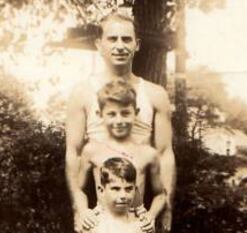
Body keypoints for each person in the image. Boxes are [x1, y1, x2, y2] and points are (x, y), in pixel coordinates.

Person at [65, 12, 176, 233]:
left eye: (126, 39)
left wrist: (167, 208)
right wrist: (79, 208)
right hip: (101, 218)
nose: (120, 46)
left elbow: (165, 153)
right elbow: (74, 152)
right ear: (99, 44)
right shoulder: (82, 92)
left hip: (140, 219)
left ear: (137, 44)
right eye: (112, 39)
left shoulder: (155, 95)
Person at [75, 80, 166, 233]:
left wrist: (151, 216)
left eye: (125, 113)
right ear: (100, 115)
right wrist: (83, 211)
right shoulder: (92, 151)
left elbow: (160, 194)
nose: (119, 121)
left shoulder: (148, 153)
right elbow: (79, 189)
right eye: (111, 114)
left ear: (136, 113)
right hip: (103, 224)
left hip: (135, 223)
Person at [83, 157, 145, 233]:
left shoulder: (142, 223)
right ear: (101, 190)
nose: (123, 195)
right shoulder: (93, 223)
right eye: (116, 189)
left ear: (135, 190)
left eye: (128, 189)